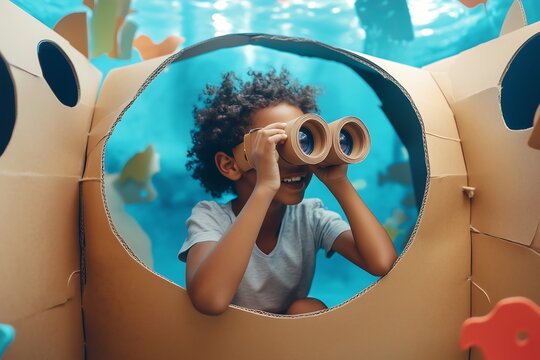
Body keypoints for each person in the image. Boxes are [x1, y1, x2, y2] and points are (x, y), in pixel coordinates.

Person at [179, 68, 397, 316]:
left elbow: (381, 262)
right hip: (228, 345)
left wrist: (339, 183)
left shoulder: (310, 217)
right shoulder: (210, 217)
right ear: (230, 165)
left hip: (287, 343)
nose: (297, 161)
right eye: (279, 146)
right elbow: (210, 300)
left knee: (306, 307)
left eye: (305, 142)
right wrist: (265, 188)